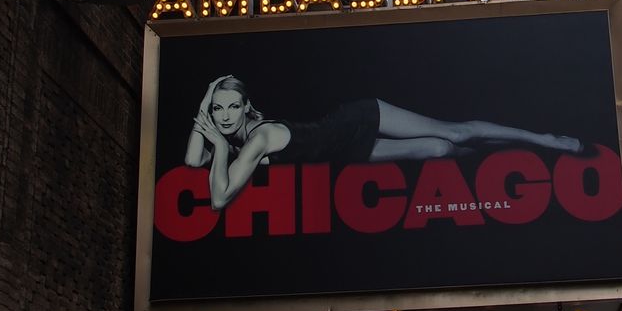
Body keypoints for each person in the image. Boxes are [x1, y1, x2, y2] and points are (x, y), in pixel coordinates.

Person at [185, 76, 584, 209]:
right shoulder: (238, 141)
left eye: (232, 107)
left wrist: (217, 141)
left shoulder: (258, 137)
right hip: (346, 153)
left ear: (245, 107)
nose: (225, 116)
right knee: (440, 150)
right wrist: (205, 113)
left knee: (455, 132)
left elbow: (219, 198)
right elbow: (192, 162)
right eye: (218, 109)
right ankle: (513, 149)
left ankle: (544, 140)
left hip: (355, 120)